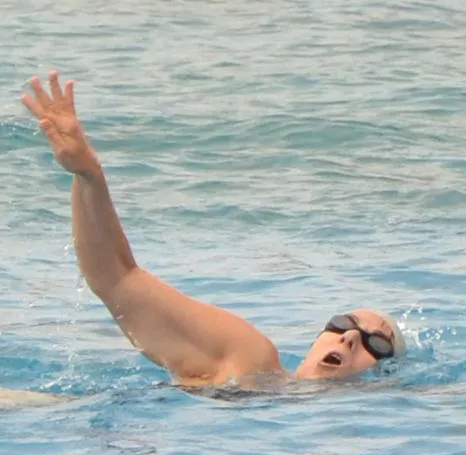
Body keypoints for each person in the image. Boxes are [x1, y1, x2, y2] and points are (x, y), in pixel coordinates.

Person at [22, 72, 403, 388]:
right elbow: (117, 279)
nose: (349, 337)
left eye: (376, 344)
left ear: (383, 378)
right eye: (340, 325)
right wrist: (89, 176)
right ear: (314, 342)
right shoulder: (247, 359)